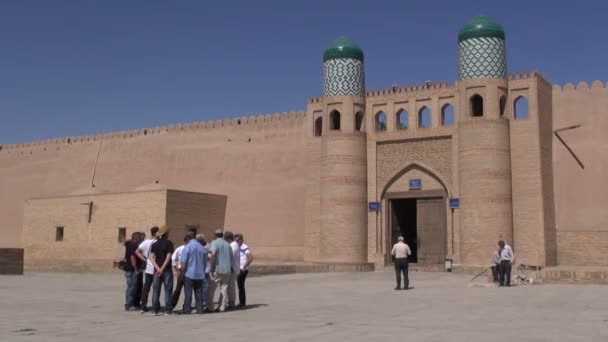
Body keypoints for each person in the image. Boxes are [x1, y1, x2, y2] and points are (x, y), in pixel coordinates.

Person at [179, 231, 208, 314]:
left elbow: (183, 263)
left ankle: (187, 309)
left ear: (187, 238)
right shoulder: (202, 248)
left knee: (188, 292)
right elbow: (205, 263)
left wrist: (182, 273)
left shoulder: (187, 247)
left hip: (189, 273)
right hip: (200, 274)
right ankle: (200, 309)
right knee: (199, 292)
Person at [206, 229, 233, 312]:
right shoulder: (228, 245)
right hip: (227, 269)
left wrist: (212, 266)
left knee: (211, 288)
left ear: (215, 235)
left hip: (217, 268)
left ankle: (210, 307)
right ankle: (222, 307)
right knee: (224, 288)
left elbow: (213, 254)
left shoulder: (214, 243)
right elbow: (231, 257)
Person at [151, 225, 174, 315]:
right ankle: (168, 310)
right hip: (166, 269)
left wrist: (157, 268)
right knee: (168, 290)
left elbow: (151, 257)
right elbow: (168, 257)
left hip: (156, 270)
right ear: (166, 233)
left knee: (156, 290)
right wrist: (162, 268)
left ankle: (154, 310)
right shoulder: (169, 243)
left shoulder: (154, 244)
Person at [135, 226, 159, 313]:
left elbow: (137, 251)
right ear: (156, 233)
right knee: (156, 287)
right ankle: (155, 305)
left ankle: (143, 305)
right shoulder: (157, 242)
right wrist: (145, 259)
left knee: (146, 287)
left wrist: (144, 259)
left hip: (149, 267)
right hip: (156, 267)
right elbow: (137, 251)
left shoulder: (146, 242)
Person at [235, 233, 253, 308]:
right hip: (239, 269)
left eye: (237, 240)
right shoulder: (239, 247)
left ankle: (242, 303)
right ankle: (241, 302)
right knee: (240, 286)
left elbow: (250, 258)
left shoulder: (245, 247)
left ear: (241, 240)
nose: (236, 242)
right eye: (235, 240)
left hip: (243, 270)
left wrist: (244, 267)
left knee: (241, 286)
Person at [123, 232, 140, 311]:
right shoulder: (134, 245)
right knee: (132, 287)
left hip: (127, 268)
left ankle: (128, 303)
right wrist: (136, 269)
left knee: (129, 287)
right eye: (139, 238)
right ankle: (128, 304)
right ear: (136, 238)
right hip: (131, 269)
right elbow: (133, 258)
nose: (139, 240)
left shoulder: (128, 245)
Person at [171, 236, 188, 310]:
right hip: (181, 271)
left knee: (188, 290)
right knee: (178, 289)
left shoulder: (192, 248)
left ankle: (186, 306)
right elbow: (173, 259)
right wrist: (177, 270)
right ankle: (171, 305)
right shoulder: (180, 249)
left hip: (189, 271)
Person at [226, 231, 240, 310]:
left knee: (231, 287)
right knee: (230, 286)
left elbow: (230, 257)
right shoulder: (234, 245)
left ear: (228, 239)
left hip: (232, 269)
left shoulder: (233, 245)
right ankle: (230, 302)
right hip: (233, 268)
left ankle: (231, 303)